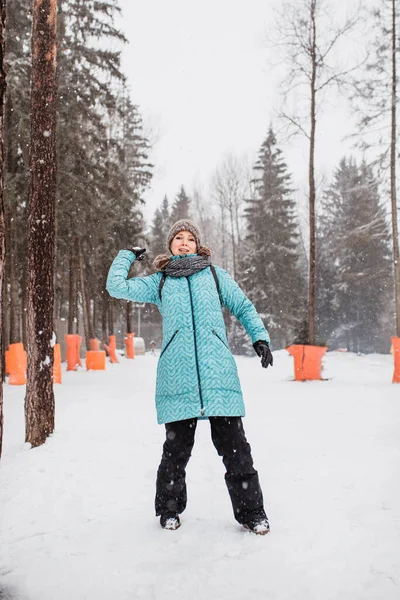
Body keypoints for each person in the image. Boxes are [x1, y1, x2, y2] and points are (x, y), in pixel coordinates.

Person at [106, 219, 273, 534]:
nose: (184, 243)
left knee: (236, 449)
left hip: (218, 375)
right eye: (178, 238)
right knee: (176, 451)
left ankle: (252, 513)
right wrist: (127, 255)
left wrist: (259, 338)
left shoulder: (214, 275)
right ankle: (169, 509)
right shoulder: (160, 281)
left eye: (190, 239)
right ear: (170, 245)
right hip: (177, 377)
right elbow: (117, 286)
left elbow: (244, 306)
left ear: (198, 245)